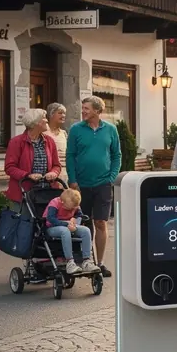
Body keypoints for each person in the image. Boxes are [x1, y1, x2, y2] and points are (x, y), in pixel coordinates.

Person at [66, 95, 120, 278]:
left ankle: (101, 263)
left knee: (101, 222)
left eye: (86, 108)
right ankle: (87, 260)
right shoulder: (76, 130)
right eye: (83, 108)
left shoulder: (111, 130)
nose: (83, 111)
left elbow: (116, 155)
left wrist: (111, 177)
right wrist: (72, 180)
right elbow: (70, 155)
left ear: (97, 111)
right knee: (84, 223)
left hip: (103, 183)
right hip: (81, 184)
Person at [4, 108, 61, 208]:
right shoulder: (16, 142)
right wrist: (28, 175)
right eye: (44, 118)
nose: (47, 120)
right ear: (36, 122)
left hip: (47, 192)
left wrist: (54, 172)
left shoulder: (49, 141)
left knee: (46, 222)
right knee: (26, 222)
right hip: (25, 193)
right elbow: (10, 167)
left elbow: (56, 165)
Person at [44, 187, 100, 276]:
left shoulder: (74, 204)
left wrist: (75, 221)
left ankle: (87, 260)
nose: (71, 210)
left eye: (73, 208)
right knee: (65, 231)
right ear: (62, 202)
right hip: (53, 226)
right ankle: (70, 261)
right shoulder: (55, 203)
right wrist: (66, 224)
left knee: (86, 230)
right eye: (68, 208)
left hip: (70, 225)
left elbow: (79, 215)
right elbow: (50, 219)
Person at [46, 102, 69, 180]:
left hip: (65, 172)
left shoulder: (64, 133)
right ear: (51, 114)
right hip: (50, 172)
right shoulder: (43, 132)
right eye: (60, 113)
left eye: (64, 113)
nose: (63, 116)